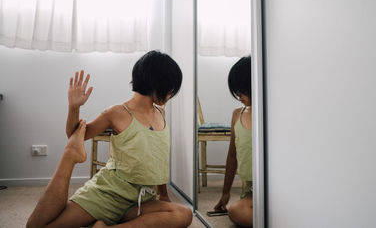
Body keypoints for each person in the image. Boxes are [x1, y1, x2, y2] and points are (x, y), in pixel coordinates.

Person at [27, 50, 193, 228]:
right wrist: (74, 107)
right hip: (108, 195)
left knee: (184, 214)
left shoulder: (160, 113)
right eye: (171, 89)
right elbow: (75, 136)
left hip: (142, 198)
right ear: (159, 83)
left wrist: (163, 193)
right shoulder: (117, 113)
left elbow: (157, 157)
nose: (171, 94)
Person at [214, 56, 252, 227]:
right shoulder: (238, 114)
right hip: (251, 190)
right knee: (236, 211)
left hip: (277, 188)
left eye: (241, 91)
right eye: (236, 92)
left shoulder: (274, 112)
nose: (238, 97)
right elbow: (232, 156)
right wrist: (225, 193)